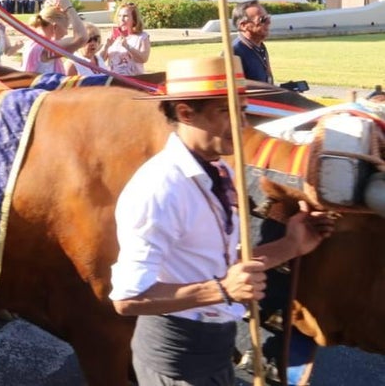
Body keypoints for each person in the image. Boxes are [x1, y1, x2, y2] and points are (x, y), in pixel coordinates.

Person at [109, 55, 335, 385]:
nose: (242, 124)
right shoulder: (159, 188)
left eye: (243, 111)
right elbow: (127, 298)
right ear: (186, 113)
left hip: (216, 349)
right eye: (226, 111)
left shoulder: (219, 169)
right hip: (177, 362)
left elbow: (224, 267)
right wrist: (221, 290)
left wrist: (292, 244)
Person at [20, 0, 86, 74]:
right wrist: (69, 8)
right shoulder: (45, 48)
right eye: (66, 27)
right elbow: (82, 38)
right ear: (55, 27)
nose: (66, 33)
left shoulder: (34, 43)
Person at [100, 2, 151, 76]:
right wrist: (106, 45)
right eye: (119, 16)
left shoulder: (142, 37)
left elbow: (144, 59)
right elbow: (100, 60)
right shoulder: (113, 36)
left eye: (125, 16)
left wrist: (127, 46)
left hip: (133, 81)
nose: (122, 19)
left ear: (134, 19)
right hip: (113, 80)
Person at [232, 0, 273, 84]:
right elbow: (234, 87)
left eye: (268, 18)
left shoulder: (260, 47)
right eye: (262, 20)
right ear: (244, 26)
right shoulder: (234, 53)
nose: (269, 22)